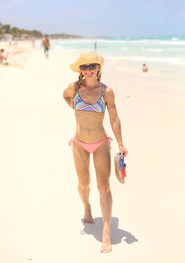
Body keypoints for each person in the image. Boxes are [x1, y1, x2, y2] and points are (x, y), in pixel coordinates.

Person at [63, 51, 128, 253]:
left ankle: (106, 233)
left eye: (92, 66)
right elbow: (64, 96)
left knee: (103, 187)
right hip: (79, 144)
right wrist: (74, 105)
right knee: (84, 184)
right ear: (80, 70)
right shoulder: (74, 88)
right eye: (84, 67)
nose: (88, 70)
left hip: (100, 143)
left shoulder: (106, 91)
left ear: (98, 68)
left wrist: (120, 143)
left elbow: (114, 119)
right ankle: (87, 208)